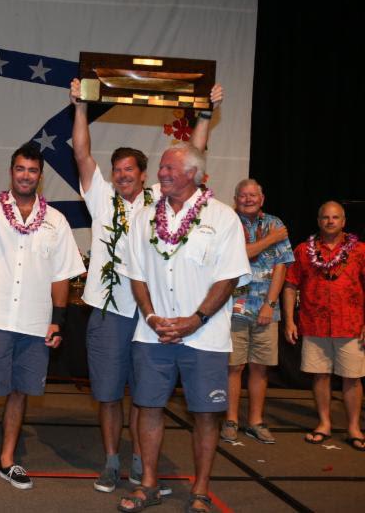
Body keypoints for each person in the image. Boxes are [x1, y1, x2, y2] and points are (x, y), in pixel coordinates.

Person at [68, 79, 223, 492]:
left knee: (145, 397)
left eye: (128, 171)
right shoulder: (101, 198)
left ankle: (141, 461)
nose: (120, 177)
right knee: (106, 393)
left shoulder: (158, 199)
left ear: (143, 175)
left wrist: (204, 114)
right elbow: (81, 152)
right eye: (116, 171)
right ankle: (111, 460)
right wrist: (80, 106)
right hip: (108, 311)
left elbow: (194, 156)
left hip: (151, 315)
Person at [117, 143, 250, 513]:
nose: (161, 174)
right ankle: (148, 485)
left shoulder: (222, 218)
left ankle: (200, 491)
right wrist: (150, 316)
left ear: (193, 174)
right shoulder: (144, 218)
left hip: (205, 336)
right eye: (161, 168)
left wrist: (196, 320)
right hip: (152, 333)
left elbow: (228, 278)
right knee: (148, 407)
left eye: (169, 169)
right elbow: (137, 276)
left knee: (206, 415)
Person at [0, 142, 85, 491]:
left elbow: (62, 276)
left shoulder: (56, 221)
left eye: (33, 170)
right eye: (20, 169)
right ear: (11, 172)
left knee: (20, 392)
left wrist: (59, 320)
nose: (26, 175)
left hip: (35, 323)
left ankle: (8, 459)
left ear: (40, 176)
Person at [283, 201, 365, 451]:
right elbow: (290, 285)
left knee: (352, 378)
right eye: (325, 217)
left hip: (350, 324)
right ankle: (324, 424)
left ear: (344, 221)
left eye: (335, 217)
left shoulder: (360, 250)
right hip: (314, 323)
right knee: (320, 375)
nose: (330, 221)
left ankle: (353, 428)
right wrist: (288, 320)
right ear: (318, 221)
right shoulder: (302, 250)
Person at [221, 179, 293, 444]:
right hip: (232, 309)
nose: (248, 199)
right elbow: (240, 254)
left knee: (260, 368)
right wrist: (272, 239)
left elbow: (282, 266)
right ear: (236, 198)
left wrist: (270, 304)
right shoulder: (228, 222)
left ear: (262, 199)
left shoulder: (275, 222)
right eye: (243, 195)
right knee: (234, 366)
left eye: (253, 195)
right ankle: (230, 419)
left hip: (266, 310)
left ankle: (255, 421)